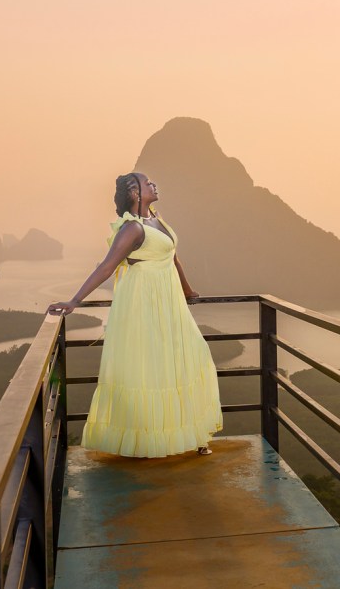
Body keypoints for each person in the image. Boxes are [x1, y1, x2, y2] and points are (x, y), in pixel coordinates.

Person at [48, 172, 222, 457]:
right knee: (150, 367)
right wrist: (74, 301)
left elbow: (173, 258)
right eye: (147, 182)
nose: (154, 183)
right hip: (144, 302)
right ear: (134, 193)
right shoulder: (132, 229)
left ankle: (191, 433)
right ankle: (145, 442)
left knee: (191, 358)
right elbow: (106, 267)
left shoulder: (157, 219)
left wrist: (188, 291)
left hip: (170, 302)